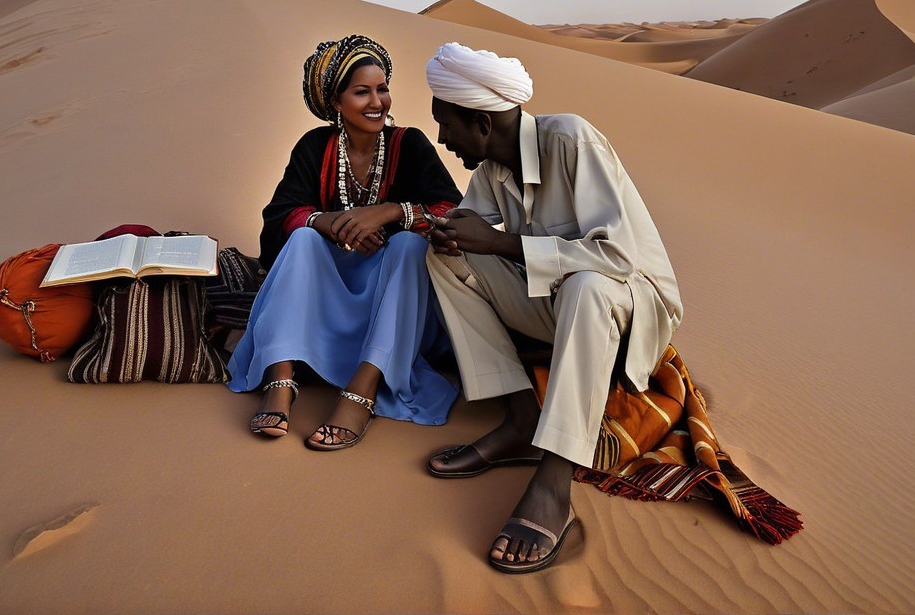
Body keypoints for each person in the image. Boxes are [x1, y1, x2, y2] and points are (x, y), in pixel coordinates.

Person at [422, 42, 683, 573]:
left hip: (629, 309)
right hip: (559, 309)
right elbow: (470, 227)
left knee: (588, 284)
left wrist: (498, 244)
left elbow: (615, 256)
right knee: (444, 258)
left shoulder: (570, 139)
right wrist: (447, 232)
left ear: (482, 122)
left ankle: (555, 478)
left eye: (447, 125)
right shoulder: (493, 169)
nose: (444, 140)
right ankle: (520, 416)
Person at [227, 34, 461, 449]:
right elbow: (280, 216)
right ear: (336, 102)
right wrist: (331, 223)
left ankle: (363, 389)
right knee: (301, 239)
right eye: (362, 92)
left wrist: (391, 212)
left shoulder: (411, 144)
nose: (377, 102)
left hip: (393, 298)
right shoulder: (316, 146)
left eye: (382, 88)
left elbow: (451, 212)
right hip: (327, 295)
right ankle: (279, 380)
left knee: (409, 246)